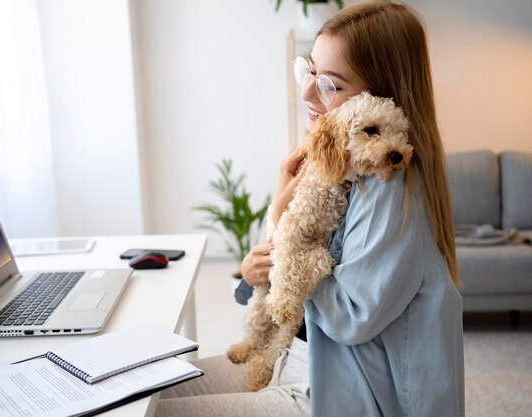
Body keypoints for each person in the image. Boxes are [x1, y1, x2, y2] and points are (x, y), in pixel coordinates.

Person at [154, 1, 464, 416]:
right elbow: (292, 259)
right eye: (311, 71)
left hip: (347, 392)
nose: (306, 92)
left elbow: (352, 317)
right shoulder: (337, 167)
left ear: (379, 99)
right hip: (302, 358)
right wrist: (261, 256)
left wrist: (281, 234)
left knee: (157, 411)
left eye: (331, 85)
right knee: (147, 394)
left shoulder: (391, 185)